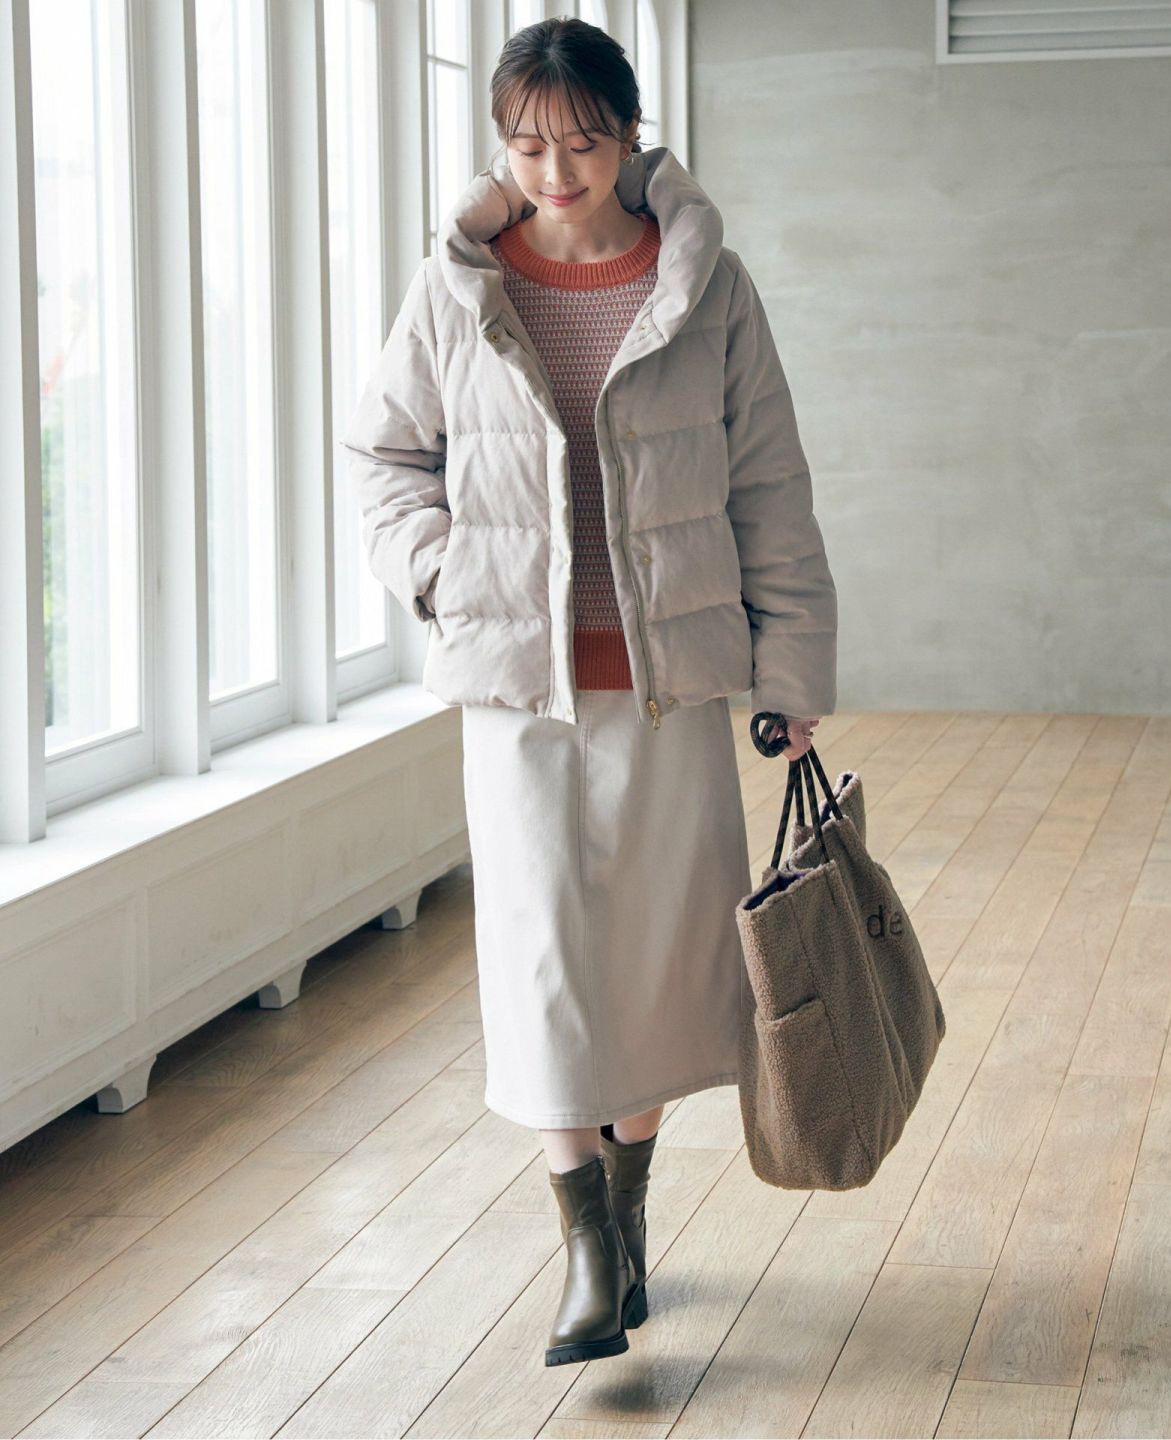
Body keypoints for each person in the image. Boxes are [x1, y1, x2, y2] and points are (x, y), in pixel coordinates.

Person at [340, 17, 837, 1369]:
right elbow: (384, 459)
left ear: (629, 131)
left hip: (670, 680)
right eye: (526, 146)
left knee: (662, 957)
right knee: (543, 955)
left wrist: (789, 669)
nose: (554, 172)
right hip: (518, 684)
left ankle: (626, 1211)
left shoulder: (705, 283)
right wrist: (442, 571)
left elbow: (768, 486)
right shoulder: (458, 287)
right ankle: (585, 1253)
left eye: (582, 142)